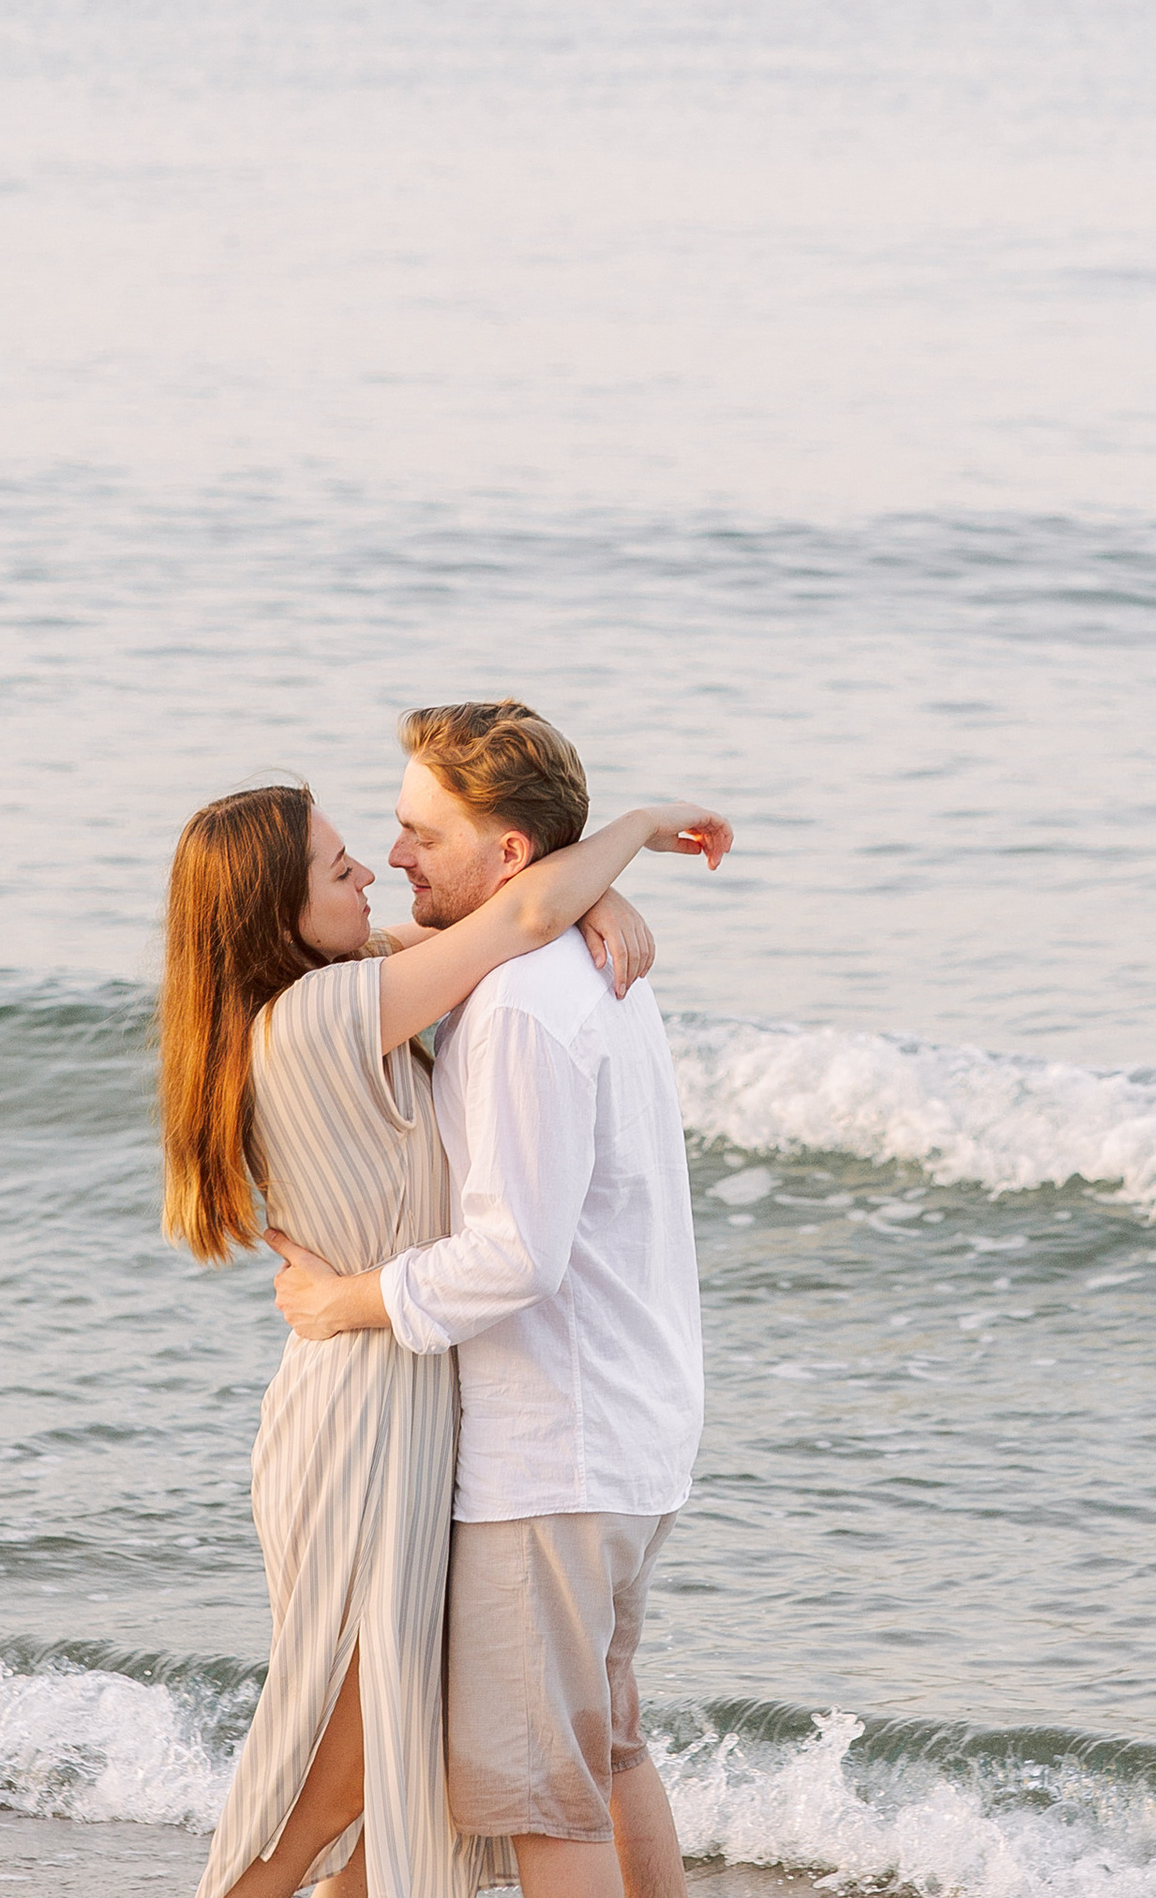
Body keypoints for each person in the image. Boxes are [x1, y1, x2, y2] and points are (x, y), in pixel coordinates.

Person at [165, 768, 732, 1898]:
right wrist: (627, 835)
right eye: (337, 868)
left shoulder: (344, 983)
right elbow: (513, 913)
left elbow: (506, 916)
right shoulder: (329, 1012)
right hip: (365, 1417)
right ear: (277, 912)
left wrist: (589, 901)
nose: (371, 868)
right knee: (342, 1759)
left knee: (397, 1755)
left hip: (408, 1398)